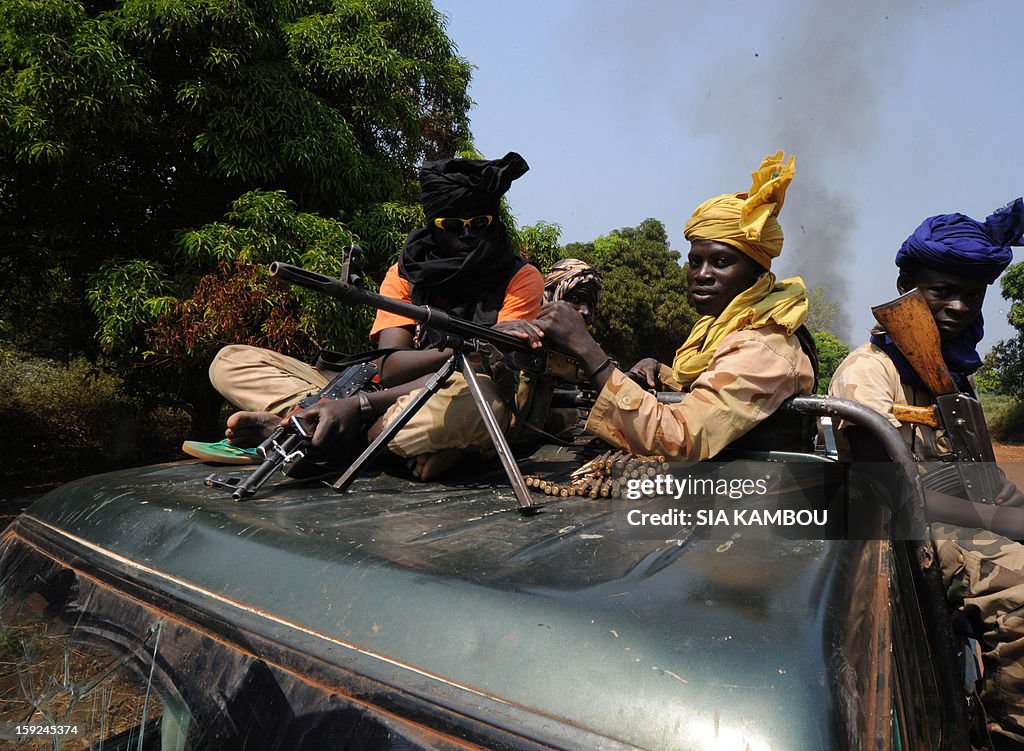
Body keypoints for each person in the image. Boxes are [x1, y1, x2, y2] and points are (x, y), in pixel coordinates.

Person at [192, 152, 544, 480]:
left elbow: (485, 368)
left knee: (479, 401)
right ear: (434, 226)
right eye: (452, 224)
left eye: (479, 223)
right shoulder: (405, 274)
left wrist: (359, 407)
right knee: (230, 361)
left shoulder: (520, 277)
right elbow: (389, 366)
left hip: (455, 394)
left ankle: (314, 435)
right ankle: (338, 428)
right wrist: (353, 401)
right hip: (384, 395)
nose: (468, 234)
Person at [829, 198, 1024, 748]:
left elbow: (977, 477)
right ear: (905, 284)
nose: (960, 306)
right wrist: (998, 517)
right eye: (943, 291)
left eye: (973, 295)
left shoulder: (949, 375)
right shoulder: (871, 370)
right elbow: (887, 491)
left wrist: (1004, 502)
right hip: (894, 532)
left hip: (950, 526)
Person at [512, 151, 817, 460]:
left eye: (722, 262)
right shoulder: (718, 328)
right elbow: (711, 385)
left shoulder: (763, 345)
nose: (702, 275)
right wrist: (659, 371)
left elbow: (682, 439)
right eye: (695, 262)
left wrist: (591, 353)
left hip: (743, 499)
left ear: (757, 272)